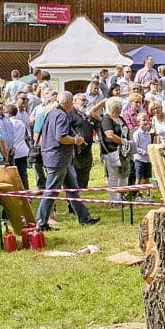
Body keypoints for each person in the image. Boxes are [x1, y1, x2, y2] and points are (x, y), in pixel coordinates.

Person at [35, 91, 97, 231]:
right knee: (51, 190)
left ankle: (84, 218)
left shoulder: (52, 113)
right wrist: (76, 140)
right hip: (58, 159)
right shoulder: (61, 115)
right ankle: (41, 222)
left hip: (61, 158)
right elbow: (61, 137)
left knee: (72, 189)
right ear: (68, 102)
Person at [99, 98, 131, 205]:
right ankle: (113, 200)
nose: (121, 109)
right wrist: (122, 141)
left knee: (124, 174)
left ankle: (122, 197)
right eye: (119, 107)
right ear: (114, 108)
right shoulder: (106, 119)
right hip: (111, 151)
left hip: (124, 151)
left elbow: (127, 131)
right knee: (114, 175)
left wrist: (128, 143)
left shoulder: (120, 118)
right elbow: (110, 135)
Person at [131, 113, 153, 190]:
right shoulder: (136, 134)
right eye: (143, 120)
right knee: (138, 178)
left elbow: (149, 145)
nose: (146, 122)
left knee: (148, 178)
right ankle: (137, 194)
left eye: (147, 120)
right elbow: (135, 147)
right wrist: (144, 152)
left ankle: (148, 195)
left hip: (147, 160)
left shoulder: (148, 134)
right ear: (138, 122)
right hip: (139, 159)